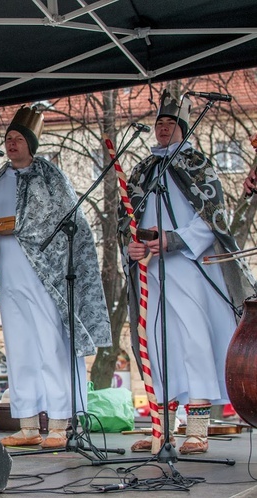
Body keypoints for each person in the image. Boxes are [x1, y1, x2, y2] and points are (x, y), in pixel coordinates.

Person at [120, 90, 254, 455]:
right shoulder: (142, 170)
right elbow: (126, 218)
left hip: (188, 268)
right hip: (150, 270)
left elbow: (213, 219)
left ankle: (197, 427)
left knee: (194, 340)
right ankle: (162, 428)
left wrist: (173, 240)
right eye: (159, 124)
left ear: (182, 128)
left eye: (169, 124)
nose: (163, 130)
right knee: (156, 343)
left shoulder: (197, 164)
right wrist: (131, 246)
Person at [0, 107, 111, 449]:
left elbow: (70, 227)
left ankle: (61, 422)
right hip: (10, 280)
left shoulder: (51, 178)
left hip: (45, 279)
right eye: (8, 139)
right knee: (20, 351)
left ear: (31, 144)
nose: (12, 145)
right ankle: (29, 424)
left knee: (52, 348)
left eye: (18, 139)